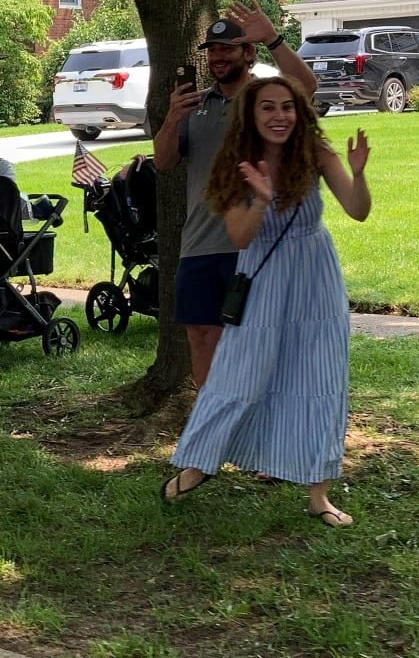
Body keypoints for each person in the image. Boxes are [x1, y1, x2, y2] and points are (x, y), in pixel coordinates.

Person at [164, 77, 372, 528]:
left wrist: (358, 173)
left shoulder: (315, 153)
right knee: (238, 372)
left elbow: (357, 209)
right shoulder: (236, 164)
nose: (280, 116)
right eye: (268, 109)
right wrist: (260, 199)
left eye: (287, 108)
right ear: (252, 118)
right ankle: (200, 463)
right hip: (263, 278)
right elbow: (239, 235)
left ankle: (319, 495)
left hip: (315, 278)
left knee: (321, 376)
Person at [153, 3, 318, 389]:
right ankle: (212, 423)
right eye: (212, 50)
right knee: (201, 335)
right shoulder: (195, 106)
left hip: (257, 242)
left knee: (259, 339)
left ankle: (258, 423)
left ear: (249, 53)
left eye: (227, 48)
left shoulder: (266, 99)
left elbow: (306, 88)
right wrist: (173, 117)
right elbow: (163, 161)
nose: (217, 56)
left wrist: (274, 38)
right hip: (200, 243)